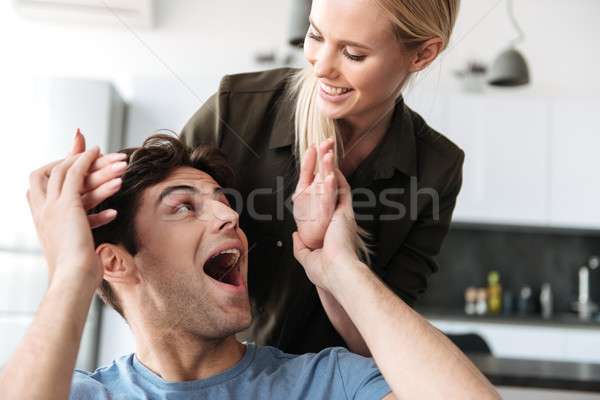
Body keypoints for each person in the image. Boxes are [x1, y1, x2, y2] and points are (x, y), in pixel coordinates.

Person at [0, 133, 498, 399]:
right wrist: (70, 271)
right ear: (115, 262)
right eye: (183, 207)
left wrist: (338, 267)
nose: (231, 214)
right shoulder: (85, 396)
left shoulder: (327, 384)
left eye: (222, 199)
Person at [181, 0, 464, 355]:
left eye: (353, 54)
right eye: (315, 35)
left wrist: (329, 263)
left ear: (423, 54)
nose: (321, 66)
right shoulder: (234, 108)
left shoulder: (438, 170)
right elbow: (146, 249)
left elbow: (382, 345)